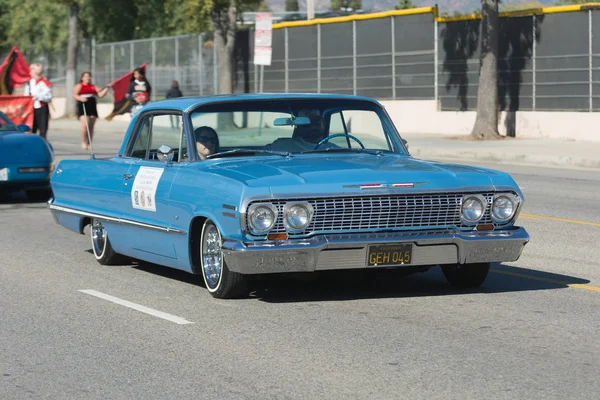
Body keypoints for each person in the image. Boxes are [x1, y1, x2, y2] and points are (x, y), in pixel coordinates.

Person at [72, 72, 111, 150]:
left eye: (89, 76)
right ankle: (83, 142)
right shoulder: (79, 86)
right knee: (85, 125)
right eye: (86, 76)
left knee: (91, 126)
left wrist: (107, 88)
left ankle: (89, 142)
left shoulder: (93, 86)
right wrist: (80, 98)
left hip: (92, 105)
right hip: (83, 105)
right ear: (82, 78)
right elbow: (74, 94)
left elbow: (100, 95)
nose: (87, 78)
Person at [23, 63, 52, 140]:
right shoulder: (29, 83)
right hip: (31, 109)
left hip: (41, 108)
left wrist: (38, 97)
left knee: (42, 130)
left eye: (32, 69)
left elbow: (48, 97)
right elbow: (25, 95)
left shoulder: (44, 83)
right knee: (31, 130)